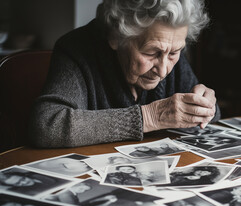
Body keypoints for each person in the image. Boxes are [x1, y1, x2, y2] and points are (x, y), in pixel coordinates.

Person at [28, 0, 220, 148]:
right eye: (150, 53)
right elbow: (46, 126)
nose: (163, 70)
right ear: (116, 36)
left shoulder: (168, 49)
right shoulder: (77, 50)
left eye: (174, 53)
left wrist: (206, 106)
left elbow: (214, 118)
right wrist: (150, 117)